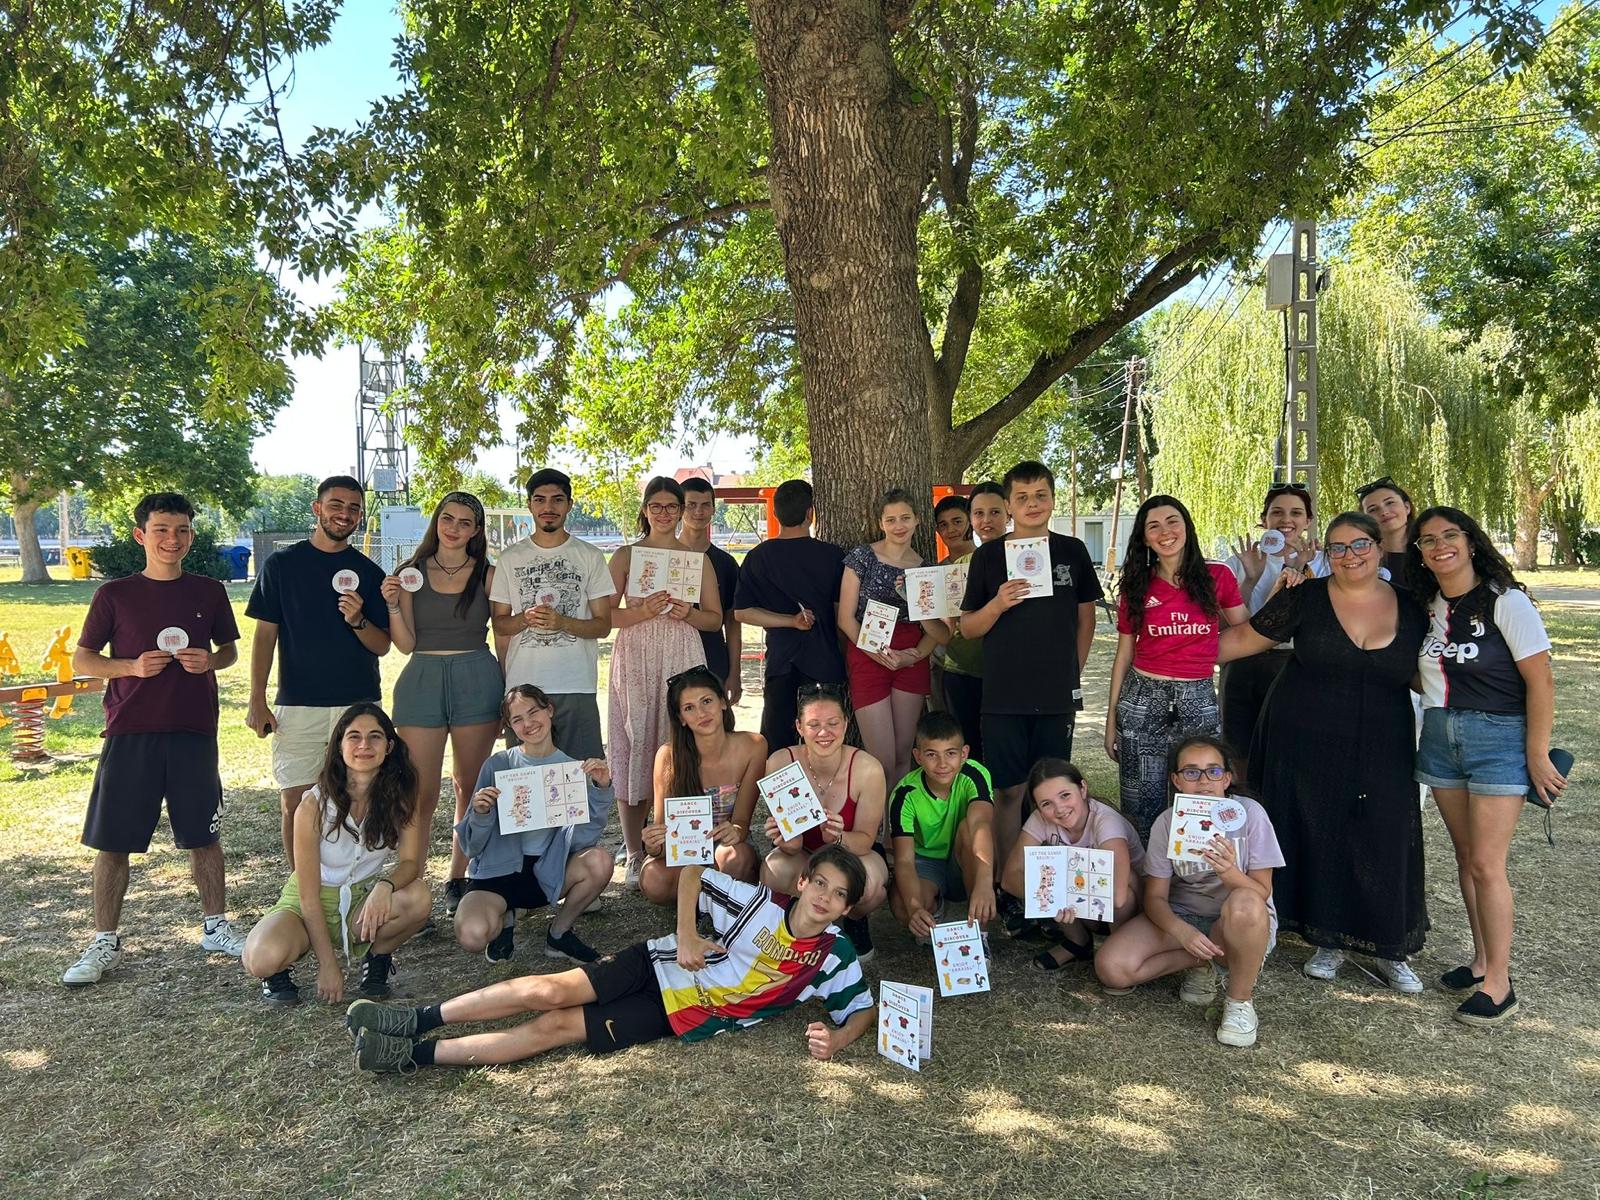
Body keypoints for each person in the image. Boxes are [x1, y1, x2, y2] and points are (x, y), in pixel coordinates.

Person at [347, 848, 876, 1072]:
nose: (824, 898)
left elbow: (861, 1010)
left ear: (847, 909)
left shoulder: (834, 954)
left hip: (678, 1013)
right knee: (549, 990)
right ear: (801, 882)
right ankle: (416, 1019)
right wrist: (687, 935)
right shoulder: (760, 904)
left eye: (838, 895)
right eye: (820, 883)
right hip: (654, 963)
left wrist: (838, 1039)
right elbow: (693, 870)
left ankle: (411, 1056)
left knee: (555, 1026)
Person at [1218, 511, 1430, 991]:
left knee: (1384, 833)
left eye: (1359, 545)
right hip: (1301, 734)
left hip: (1384, 738)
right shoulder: (1306, 596)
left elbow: (1429, 672)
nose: (1349, 555)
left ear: (1378, 548)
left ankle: (1387, 944)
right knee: (1319, 828)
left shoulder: (1412, 605)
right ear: (1326, 553)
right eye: (1338, 547)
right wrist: (1167, 654)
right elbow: (1243, 639)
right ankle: (1328, 938)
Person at [63, 492, 247, 986]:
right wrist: (131, 667)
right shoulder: (115, 594)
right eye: (162, 529)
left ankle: (216, 926)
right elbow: (83, 660)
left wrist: (211, 661)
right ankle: (104, 940)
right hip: (131, 731)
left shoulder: (209, 591)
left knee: (204, 836)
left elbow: (229, 651)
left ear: (191, 535)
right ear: (140, 535)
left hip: (193, 731)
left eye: (182, 530)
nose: (172, 539)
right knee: (113, 841)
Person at [1408, 506, 1565, 1025]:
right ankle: (1480, 961)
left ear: (1471, 542)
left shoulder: (1506, 601)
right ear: (1420, 554)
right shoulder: (1430, 605)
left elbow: (1541, 680)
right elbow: (1424, 672)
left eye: (1449, 535)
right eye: (1428, 540)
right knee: (1465, 856)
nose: (1440, 546)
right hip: (1440, 734)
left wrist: (1536, 753)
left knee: (1486, 864)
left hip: (1498, 737)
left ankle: (1500, 983)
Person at [960, 461, 1102, 878]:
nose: (1032, 504)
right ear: (1008, 505)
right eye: (1022, 497)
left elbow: (1086, 620)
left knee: (1054, 792)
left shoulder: (1072, 550)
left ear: (1053, 500)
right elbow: (968, 627)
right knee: (1008, 792)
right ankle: (1009, 881)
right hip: (1003, 696)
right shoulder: (988, 556)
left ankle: (1049, 882)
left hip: (1056, 695)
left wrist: (1071, 673)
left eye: (1041, 495)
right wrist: (998, 604)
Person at [1095, 736, 1284, 1049]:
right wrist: (1182, 932)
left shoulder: (1250, 814)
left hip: (1241, 921)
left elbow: (1261, 892)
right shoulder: (1168, 822)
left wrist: (1229, 872)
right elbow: (1155, 898)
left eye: (1213, 771)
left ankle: (1239, 1002)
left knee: (1245, 902)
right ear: (1176, 780)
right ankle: (1203, 961)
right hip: (1184, 915)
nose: (1204, 781)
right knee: (1112, 969)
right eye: (1191, 772)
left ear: (1227, 778)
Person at [242, 703, 431, 1005]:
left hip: (362, 900)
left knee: (418, 896)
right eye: (354, 736)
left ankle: (377, 957)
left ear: (389, 746)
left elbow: (410, 863)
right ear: (339, 746)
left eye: (375, 737)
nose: (364, 745)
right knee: (260, 957)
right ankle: (281, 969)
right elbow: (308, 897)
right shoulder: (312, 805)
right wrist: (328, 965)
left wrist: (385, 886)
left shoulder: (402, 796)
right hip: (308, 902)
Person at [246, 476, 391, 867]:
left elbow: (382, 645)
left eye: (354, 508)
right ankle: (301, 888)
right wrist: (257, 699)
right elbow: (264, 636)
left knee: (359, 798)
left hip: (358, 703)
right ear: (317, 508)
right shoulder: (282, 566)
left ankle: (353, 880)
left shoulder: (369, 573)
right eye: (336, 505)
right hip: (298, 703)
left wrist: (358, 620)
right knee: (296, 801)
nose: (345, 514)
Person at [380, 491, 504, 918]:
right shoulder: (410, 572)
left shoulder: (488, 574)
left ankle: (458, 876)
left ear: (476, 530)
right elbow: (405, 643)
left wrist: (508, 691)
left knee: (469, 785)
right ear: (436, 521)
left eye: (465, 522)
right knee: (419, 789)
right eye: (447, 519)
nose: (454, 528)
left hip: (477, 678)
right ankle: (410, 881)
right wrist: (393, 605)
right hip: (422, 678)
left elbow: (503, 635)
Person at [1104, 495, 1247, 842]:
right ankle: (1144, 874)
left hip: (1197, 697)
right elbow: (1124, 653)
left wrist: (1266, 583)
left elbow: (1245, 630)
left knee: (1200, 803)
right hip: (1142, 699)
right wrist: (1111, 721)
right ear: (1144, 537)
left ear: (1187, 527)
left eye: (1172, 522)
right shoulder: (1136, 584)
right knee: (1141, 804)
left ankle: (1195, 874)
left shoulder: (1217, 575)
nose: (1165, 532)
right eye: (1153, 526)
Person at [607, 477, 720, 884]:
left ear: (681, 511)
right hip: (636, 653)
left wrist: (689, 613)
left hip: (682, 650)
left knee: (680, 740)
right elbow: (604, 617)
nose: (664, 513)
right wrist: (642, 611)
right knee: (635, 739)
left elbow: (715, 618)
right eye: (656, 506)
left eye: (672, 506)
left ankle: (683, 841)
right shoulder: (625, 555)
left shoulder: (696, 559)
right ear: (645, 510)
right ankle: (634, 850)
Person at [454, 686, 615, 964]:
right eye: (517, 719)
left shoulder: (571, 769)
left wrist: (601, 790)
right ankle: (504, 919)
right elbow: (471, 846)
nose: (528, 723)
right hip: (495, 876)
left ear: (549, 710)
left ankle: (559, 933)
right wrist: (480, 814)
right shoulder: (498, 765)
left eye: (534, 712)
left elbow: (582, 840)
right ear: (510, 726)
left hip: (547, 872)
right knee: (472, 935)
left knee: (599, 860)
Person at [489, 468, 616, 762]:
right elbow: (500, 623)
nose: (548, 507)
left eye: (557, 500)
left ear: (569, 504)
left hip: (576, 684)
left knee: (582, 773)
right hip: (524, 688)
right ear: (530, 505)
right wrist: (526, 618)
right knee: (526, 778)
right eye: (540, 499)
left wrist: (562, 622)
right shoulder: (510, 558)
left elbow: (603, 625)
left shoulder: (589, 556)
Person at [760, 685, 889, 959]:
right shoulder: (780, 762)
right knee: (774, 869)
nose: (824, 733)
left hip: (852, 854)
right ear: (799, 726)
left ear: (846, 723)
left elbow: (865, 841)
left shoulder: (868, 768)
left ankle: (854, 918)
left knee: (871, 885)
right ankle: (796, 923)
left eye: (833, 723)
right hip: (803, 854)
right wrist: (788, 842)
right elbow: (791, 846)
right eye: (814, 724)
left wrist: (840, 837)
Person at [838, 489, 947, 785]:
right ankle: (878, 814)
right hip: (867, 653)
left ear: (917, 520)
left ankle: (897, 816)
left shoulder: (926, 569)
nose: (899, 525)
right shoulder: (862, 557)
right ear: (881, 523)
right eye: (891, 519)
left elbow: (937, 631)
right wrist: (877, 654)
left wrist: (913, 656)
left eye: (905, 518)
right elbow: (845, 618)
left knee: (902, 755)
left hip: (910, 656)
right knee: (881, 760)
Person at [1221, 482, 1328, 779]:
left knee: (1291, 752)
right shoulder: (1239, 562)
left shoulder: (1324, 562)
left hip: (1296, 665)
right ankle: (1245, 801)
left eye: (1296, 513)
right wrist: (1250, 579)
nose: (1286, 520)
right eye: (1277, 512)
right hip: (1243, 665)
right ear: (1263, 519)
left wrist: (1300, 569)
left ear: (1308, 520)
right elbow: (1228, 626)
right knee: (1239, 750)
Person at [998, 758, 1145, 969]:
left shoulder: (1106, 821)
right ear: (1038, 807)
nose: (1059, 809)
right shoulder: (1040, 819)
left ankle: (1118, 946)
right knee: (1048, 873)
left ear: (1082, 789)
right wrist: (1055, 898)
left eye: (1065, 795)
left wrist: (1064, 897)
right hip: (1087, 905)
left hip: (1129, 908)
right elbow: (1010, 879)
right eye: (1046, 804)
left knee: (1119, 880)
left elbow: (1119, 897)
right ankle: (1078, 942)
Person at [640, 666, 765, 903]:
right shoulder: (668, 756)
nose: (701, 713)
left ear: (723, 702)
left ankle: (703, 900)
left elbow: (742, 822)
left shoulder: (754, 746)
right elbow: (662, 831)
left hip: (726, 846)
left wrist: (736, 830)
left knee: (736, 859)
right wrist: (653, 846)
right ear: (681, 718)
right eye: (689, 708)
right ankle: (709, 899)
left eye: (707, 701)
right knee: (653, 880)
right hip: (683, 851)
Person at [888, 711, 998, 937]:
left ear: (964, 754)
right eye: (932, 754)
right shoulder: (904, 794)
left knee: (970, 828)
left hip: (964, 858)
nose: (942, 764)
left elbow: (981, 825)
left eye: (950, 753)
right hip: (927, 863)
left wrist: (985, 882)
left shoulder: (974, 774)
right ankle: (935, 912)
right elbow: (904, 860)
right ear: (918, 756)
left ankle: (980, 934)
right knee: (902, 906)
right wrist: (915, 908)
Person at [941, 481, 1006, 765]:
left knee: (1004, 750)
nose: (987, 520)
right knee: (969, 751)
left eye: (995, 512)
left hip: (1006, 672)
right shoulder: (950, 568)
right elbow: (948, 630)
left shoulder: (1017, 557)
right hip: (962, 670)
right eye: (979, 513)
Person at [680, 476, 743, 704]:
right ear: (679, 508)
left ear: (714, 509)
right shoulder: (663, 558)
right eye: (691, 505)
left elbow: (732, 623)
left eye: (705, 505)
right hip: (671, 655)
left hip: (713, 657)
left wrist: (734, 672)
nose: (699, 512)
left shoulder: (726, 563)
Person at [1356, 476, 1415, 583]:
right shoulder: (1360, 560)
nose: (1384, 512)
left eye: (1390, 503)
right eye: (1373, 509)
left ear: (1407, 507)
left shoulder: (1431, 550)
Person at [935, 494, 974, 560]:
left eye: (957, 522)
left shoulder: (990, 561)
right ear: (938, 530)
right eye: (944, 525)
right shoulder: (941, 567)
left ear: (972, 522)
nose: (950, 530)